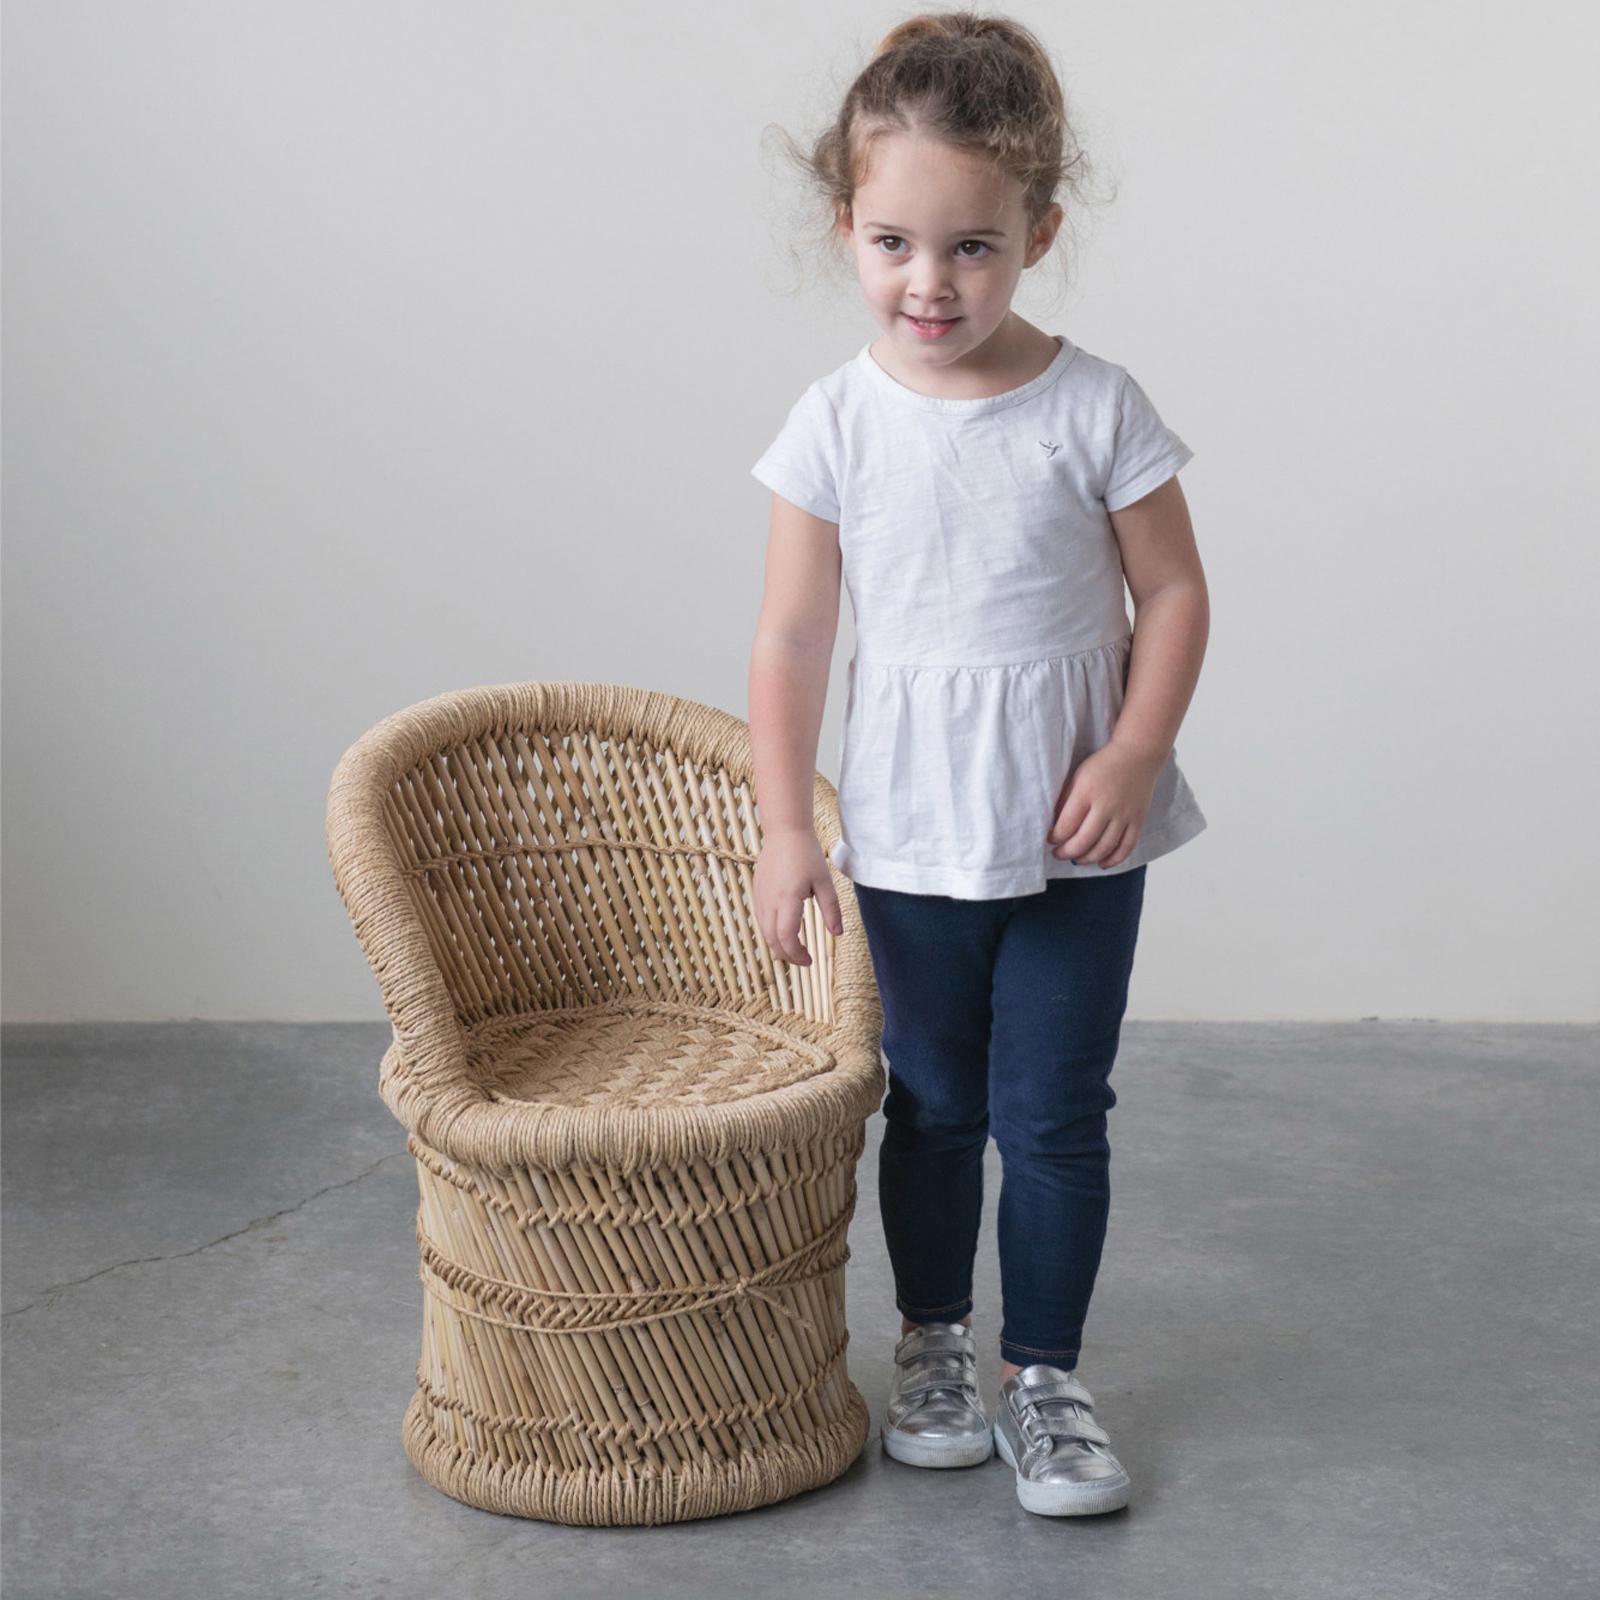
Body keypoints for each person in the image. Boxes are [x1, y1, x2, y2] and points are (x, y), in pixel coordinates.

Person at [746, 10, 1209, 1518]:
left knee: (1055, 1112)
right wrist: (787, 830)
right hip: (913, 834)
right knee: (936, 1103)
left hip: (1079, 829)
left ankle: (1046, 1379)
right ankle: (934, 1344)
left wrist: (1135, 749)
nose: (929, 283)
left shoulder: (1095, 404)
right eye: (893, 243)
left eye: (973, 248)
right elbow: (793, 639)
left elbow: (1175, 595)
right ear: (846, 225)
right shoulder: (836, 422)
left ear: (1039, 235)